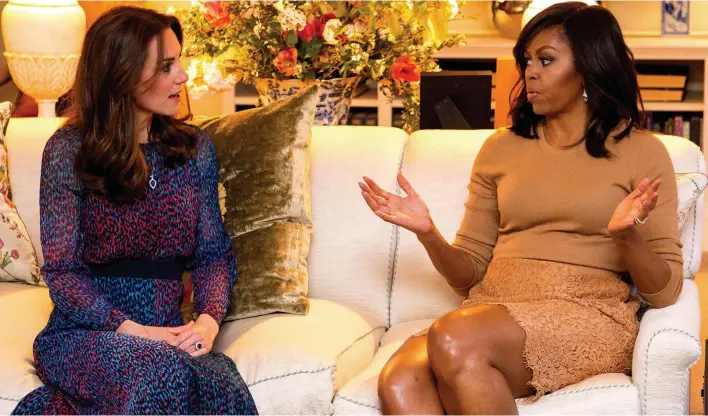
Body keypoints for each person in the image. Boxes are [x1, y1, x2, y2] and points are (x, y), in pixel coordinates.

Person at [360, 2, 683, 415]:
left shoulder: (642, 152)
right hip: (491, 306)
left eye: (546, 60)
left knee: (457, 338)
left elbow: (666, 290)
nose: (530, 72)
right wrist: (428, 233)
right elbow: (469, 274)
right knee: (400, 379)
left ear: (588, 67)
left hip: (585, 310)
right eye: (527, 60)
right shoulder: (500, 148)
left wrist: (626, 234)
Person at [12, 6, 258, 415]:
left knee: (220, 387)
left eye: (179, 60)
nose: (182, 75)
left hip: (170, 332)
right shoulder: (68, 151)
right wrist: (132, 330)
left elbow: (213, 254)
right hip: (86, 333)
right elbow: (62, 271)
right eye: (166, 65)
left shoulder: (195, 151)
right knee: (159, 371)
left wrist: (207, 322)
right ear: (121, 73)